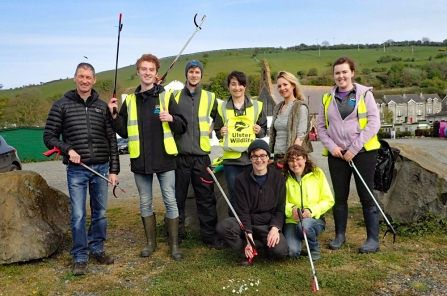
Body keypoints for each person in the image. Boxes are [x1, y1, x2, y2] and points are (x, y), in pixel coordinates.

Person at [108, 54, 187, 260]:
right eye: (144, 69)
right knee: (145, 202)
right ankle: (150, 244)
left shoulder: (166, 97)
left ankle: (174, 245)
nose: (147, 73)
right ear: (138, 72)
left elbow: (182, 126)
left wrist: (171, 118)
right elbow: (124, 132)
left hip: (165, 159)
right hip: (140, 161)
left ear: (156, 73)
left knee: (170, 201)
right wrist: (114, 115)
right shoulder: (130, 100)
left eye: (151, 69)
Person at [43, 63, 120, 276]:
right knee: (77, 214)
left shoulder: (103, 107)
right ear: (75, 78)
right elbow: (48, 137)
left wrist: (114, 170)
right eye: (81, 76)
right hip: (77, 169)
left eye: (88, 77)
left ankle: (97, 248)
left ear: (94, 80)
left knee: (100, 213)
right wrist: (68, 149)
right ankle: (79, 255)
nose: (85, 80)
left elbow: (111, 140)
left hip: (101, 167)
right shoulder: (61, 105)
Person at [317, 56, 381, 253]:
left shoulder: (364, 95)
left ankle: (372, 239)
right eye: (337, 73)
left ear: (352, 73)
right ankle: (339, 235)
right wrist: (333, 147)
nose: (341, 76)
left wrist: (354, 148)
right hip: (337, 155)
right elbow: (320, 127)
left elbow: (374, 123)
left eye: (345, 72)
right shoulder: (327, 98)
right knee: (340, 196)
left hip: (363, 153)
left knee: (366, 194)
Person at [173, 60, 224, 249]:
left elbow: (220, 115)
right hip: (180, 156)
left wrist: (214, 129)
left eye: (197, 72)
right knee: (177, 197)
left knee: (206, 197)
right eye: (191, 72)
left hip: (202, 156)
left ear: (201, 75)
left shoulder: (210, 97)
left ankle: (209, 237)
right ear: (186, 74)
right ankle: (177, 234)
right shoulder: (175, 96)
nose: (194, 75)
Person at [216, 140, 288, 266]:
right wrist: (248, 233)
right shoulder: (241, 179)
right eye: (255, 156)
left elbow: (280, 209)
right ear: (250, 158)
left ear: (268, 157)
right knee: (224, 227)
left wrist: (275, 228)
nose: (259, 160)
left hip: (267, 223)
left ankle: (260, 245)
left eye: (262, 155)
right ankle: (246, 251)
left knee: (281, 252)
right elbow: (242, 211)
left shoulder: (278, 178)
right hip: (247, 221)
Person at [214, 71, 267, 213]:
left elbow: (264, 130)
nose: (237, 88)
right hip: (231, 162)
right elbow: (217, 131)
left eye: (240, 84)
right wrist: (221, 132)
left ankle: (253, 229)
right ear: (228, 86)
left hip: (253, 160)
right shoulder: (221, 108)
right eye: (233, 84)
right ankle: (235, 231)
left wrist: (258, 130)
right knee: (235, 197)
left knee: (254, 195)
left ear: (245, 86)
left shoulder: (257, 106)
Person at [282, 145, 334, 260]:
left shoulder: (317, 173)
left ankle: (313, 248)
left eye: (298, 159)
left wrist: (311, 211)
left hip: (314, 219)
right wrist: (292, 209)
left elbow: (328, 200)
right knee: (292, 252)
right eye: (291, 160)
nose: (295, 164)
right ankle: (299, 241)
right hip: (292, 220)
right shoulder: (284, 177)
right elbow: (281, 202)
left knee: (304, 225)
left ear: (305, 158)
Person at [269, 71, 313, 163]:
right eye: (279, 86)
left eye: (285, 84)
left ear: (293, 85)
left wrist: (292, 158)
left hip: (292, 158)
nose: (282, 88)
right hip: (277, 158)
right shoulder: (278, 107)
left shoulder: (300, 107)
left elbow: (301, 135)